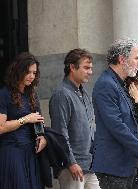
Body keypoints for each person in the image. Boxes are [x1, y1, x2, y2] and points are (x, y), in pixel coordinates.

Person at [92, 38, 138, 189]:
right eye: (136, 58)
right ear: (122, 59)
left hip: (133, 165)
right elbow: (117, 127)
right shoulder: (105, 85)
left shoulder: (122, 84)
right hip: (114, 167)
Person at [49, 48, 97, 189]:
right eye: (86, 67)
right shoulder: (61, 95)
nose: (90, 72)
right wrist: (71, 162)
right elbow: (60, 133)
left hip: (91, 164)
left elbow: (91, 130)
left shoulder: (85, 94)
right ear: (72, 67)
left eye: (91, 68)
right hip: (72, 167)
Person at [0, 52, 47, 189]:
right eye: (28, 72)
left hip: (31, 152)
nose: (32, 76)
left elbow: (39, 121)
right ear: (18, 71)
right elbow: (1, 127)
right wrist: (25, 119)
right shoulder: (4, 94)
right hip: (12, 152)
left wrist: (42, 137)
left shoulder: (32, 94)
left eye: (34, 73)